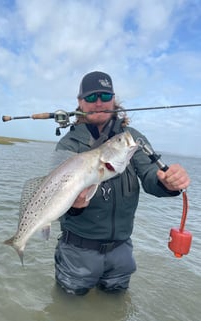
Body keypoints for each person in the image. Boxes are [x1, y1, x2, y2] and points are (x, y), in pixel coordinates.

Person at [54, 71, 190, 296]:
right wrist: (74, 206)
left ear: (113, 99)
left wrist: (167, 182)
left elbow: (149, 173)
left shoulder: (130, 138)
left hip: (121, 252)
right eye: (90, 97)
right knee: (67, 309)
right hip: (78, 252)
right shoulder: (68, 144)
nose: (98, 102)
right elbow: (57, 198)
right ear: (80, 102)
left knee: (116, 308)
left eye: (105, 96)